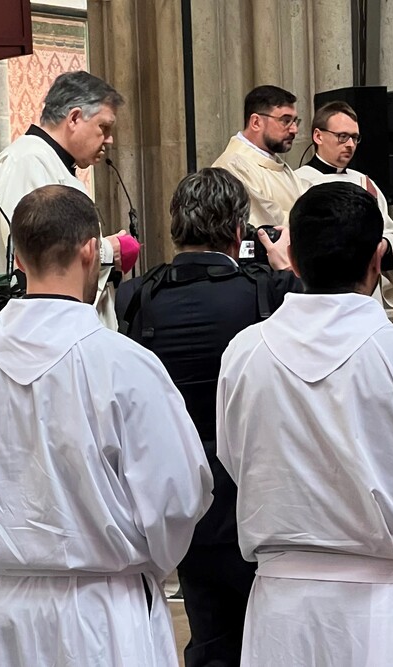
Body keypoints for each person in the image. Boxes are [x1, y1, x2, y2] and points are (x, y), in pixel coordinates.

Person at [0, 184, 213, 666]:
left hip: (0, 611)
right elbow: (178, 496)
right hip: (102, 613)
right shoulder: (125, 364)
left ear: (19, 260)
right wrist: (145, 561)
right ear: (92, 251)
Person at [217, 182, 393, 666]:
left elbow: (238, 461)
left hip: (283, 607)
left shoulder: (245, 351)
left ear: (293, 258)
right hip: (385, 606)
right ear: (378, 257)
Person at [117, 168, 301, 666]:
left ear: (177, 224)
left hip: (175, 490)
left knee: (209, 630)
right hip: (255, 488)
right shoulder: (269, 290)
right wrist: (290, 271)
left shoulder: (137, 297)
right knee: (264, 637)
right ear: (239, 229)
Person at [0, 71, 139, 330]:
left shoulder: (44, 161)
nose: (109, 140)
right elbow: (37, 252)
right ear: (74, 118)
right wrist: (108, 251)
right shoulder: (27, 163)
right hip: (32, 337)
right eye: (103, 127)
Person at [295, 101, 393, 317]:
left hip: (366, 294)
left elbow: (392, 233)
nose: (350, 144)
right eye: (342, 136)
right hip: (322, 296)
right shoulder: (299, 183)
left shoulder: (364, 183)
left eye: (355, 137)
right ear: (318, 136)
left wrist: (385, 244)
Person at [212, 85, 306, 229]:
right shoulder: (232, 167)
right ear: (256, 122)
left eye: (295, 121)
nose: (294, 130)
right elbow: (267, 222)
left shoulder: (279, 166)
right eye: (286, 121)